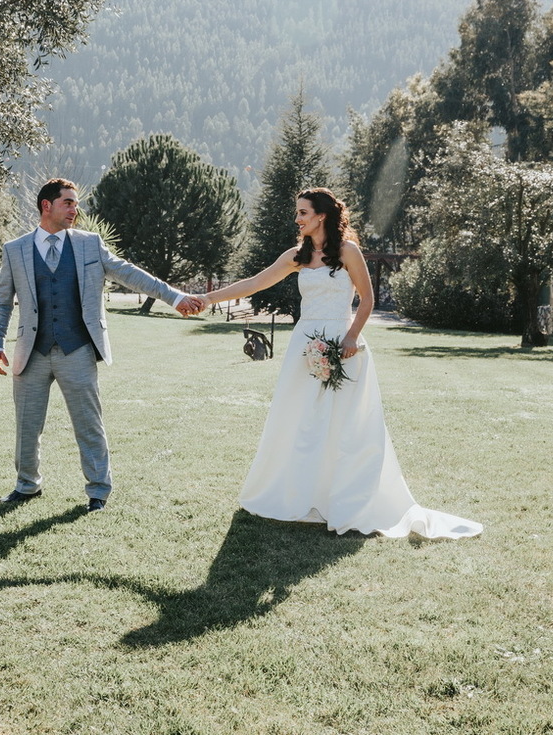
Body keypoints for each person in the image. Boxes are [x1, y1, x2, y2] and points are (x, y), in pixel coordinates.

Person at [196, 188, 482, 539]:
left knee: (346, 424)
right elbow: (255, 283)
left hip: (343, 344)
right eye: (297, 212)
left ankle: (344, 499)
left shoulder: (348, 251)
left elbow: (367, 298)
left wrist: (351, 337)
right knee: (300, 418)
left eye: (303, 213)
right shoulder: (297, 256)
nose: (297, 219)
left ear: (322, 215)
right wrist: (207, 298)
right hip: (305, 345)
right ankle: (299, 495)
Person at [0, 178, 205, 512]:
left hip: (77, 349)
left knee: (89, 424)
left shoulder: (90, 244)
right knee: (27, 427)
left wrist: (173, 297)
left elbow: (129, 273)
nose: (75, 210)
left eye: (76, 204)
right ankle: (27, 485)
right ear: (47, 205)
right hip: (31, 352)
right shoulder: (15, 250)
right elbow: (2, 301)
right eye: (68, 203)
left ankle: (98, 491)